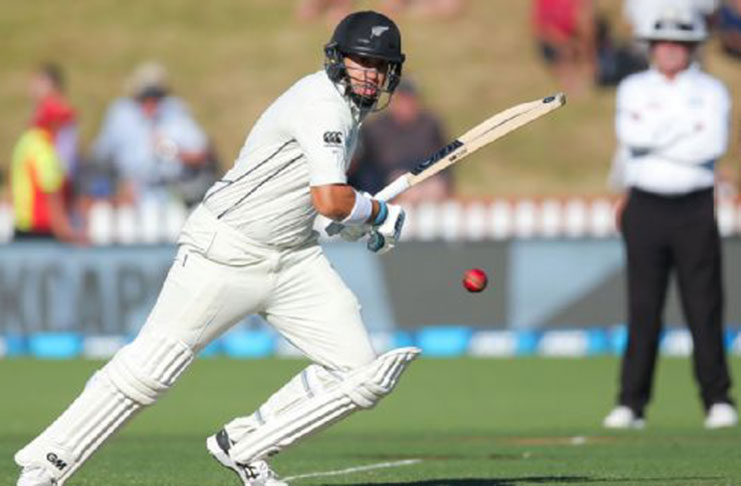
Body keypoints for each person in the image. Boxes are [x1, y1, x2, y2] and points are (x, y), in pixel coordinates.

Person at [15, 10, 419, 486]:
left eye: (380, 66)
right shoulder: (322, 102)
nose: (370, 75)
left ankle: (245, 445)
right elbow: (332, 199)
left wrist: (358, 224)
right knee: (151, 370)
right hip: (224, 250)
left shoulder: (351, 113)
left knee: (359, 374)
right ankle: (46, 466)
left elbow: (315, 203)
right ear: (338, 60)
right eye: (361, 62)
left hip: (293, 260)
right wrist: (376, 214)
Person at [603, 7, 737, 430]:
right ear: (652, 48)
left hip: (694, 204)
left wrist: (659, 133)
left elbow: (710, 143)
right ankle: (631, 403)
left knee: (704, 305)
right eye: (664, 44)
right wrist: (684, 128)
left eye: (679, 44)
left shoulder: (712, 90)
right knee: (643, 307)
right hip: (646, 204)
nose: (671, 52)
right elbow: (633, 137)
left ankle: (717, 399)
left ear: (692, 48)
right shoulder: (633, 88)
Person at [91, 61, 215, 207]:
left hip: (173, 193)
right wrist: (118, 187)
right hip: (131, 195)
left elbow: (202, 153)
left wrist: (173, 152)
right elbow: (100, 157)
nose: (151, 103)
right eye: (145, 97)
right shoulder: (121, 115)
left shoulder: (176, 112)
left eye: (156, 96)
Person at [9, 66, 84, 244]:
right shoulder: (43, 149)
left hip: (26, 230)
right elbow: (52, 194)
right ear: (53, 124)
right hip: (39, 234)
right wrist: (66, 233)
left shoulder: (29, 140)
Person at [349, 78, 451, 203]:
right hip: (389, 187)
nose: (405, 105)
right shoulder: (375, 128)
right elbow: (366, 170)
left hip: (427, 183)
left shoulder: (430, 124)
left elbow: (445, 160)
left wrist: (440, 181)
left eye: (409, 100)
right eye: (401, 100)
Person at [532, 0, 597, 95]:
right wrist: (566, 43)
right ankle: (570, 78)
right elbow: (542, 28)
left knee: (587, 28)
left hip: (575, 35)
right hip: (555, 40)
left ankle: (590, 66)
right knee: (566, 50)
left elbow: (586, 15)